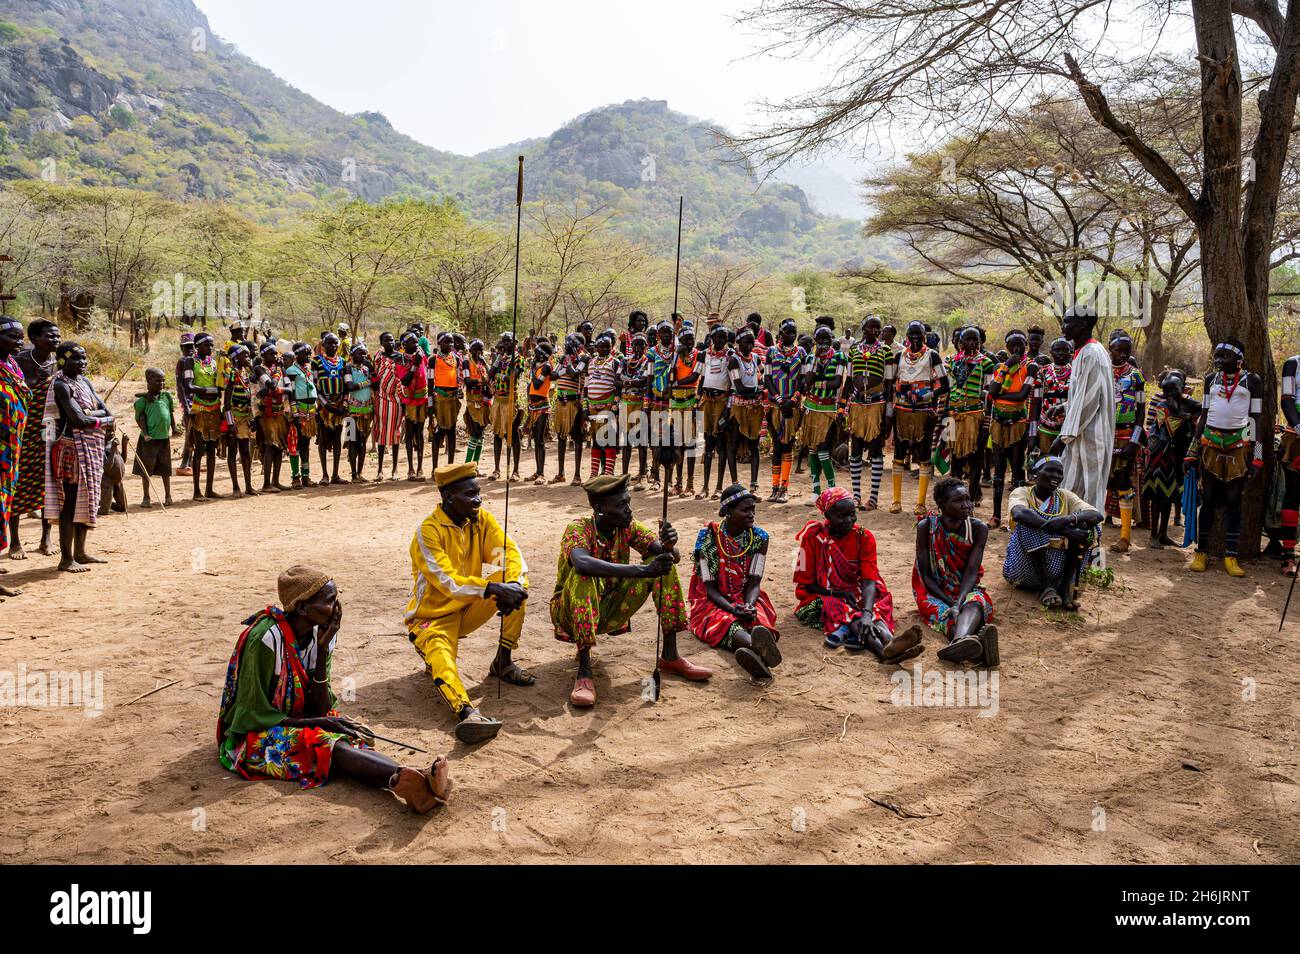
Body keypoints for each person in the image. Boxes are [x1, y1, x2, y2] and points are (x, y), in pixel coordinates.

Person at [217, 565, 452, 813]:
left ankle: (416, 783)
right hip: (252, 736)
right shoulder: (266, 640)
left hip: (298, 717)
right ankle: (406, 779)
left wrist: (322, 649)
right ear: (302, 608)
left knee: (346, 736)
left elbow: (320, 707)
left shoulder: (322, 633)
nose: (337, 608)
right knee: (322, 741)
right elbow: (250, 714)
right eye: (330, 601)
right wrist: (317, 722)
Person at [552, 473, 712, 708]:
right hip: (570, 613)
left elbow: (667, 556)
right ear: (599, 509)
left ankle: (670, 656)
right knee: (583, 575)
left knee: (661, 564)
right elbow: (582, 563)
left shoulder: (628, 527)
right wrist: (642, 570)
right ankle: (584, 671)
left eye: (628, 502)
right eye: (621, 505)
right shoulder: (578, 528)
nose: (628, 509)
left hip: (611, 608)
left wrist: (670, 547)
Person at [407, 462, 532, 744]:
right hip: (432, 617)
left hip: (468, 607)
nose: (478, 499)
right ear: (448, 497)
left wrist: (510, 583)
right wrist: (490, 587)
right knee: (442, 657)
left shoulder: (482, 521)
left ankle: (504, 661)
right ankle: (467, 712)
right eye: (470, 494)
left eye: (478, 493)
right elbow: (447, 582)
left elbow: (507, 553)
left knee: (517, 585)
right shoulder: (427, 532)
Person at [795, 486, 922, 662]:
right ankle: (882, 652)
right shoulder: (813, 539)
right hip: (823, 594)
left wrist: (867, 614)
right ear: (827, 516)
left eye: (852, 514)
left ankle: (889, 641)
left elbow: (869, 580)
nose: (849, 520)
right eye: (841, 516)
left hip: (859, 590)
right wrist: (838, 594)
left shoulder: (864, 537)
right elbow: (807, 584)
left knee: (871, 608)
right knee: (846, 610)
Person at [688, 484, 782, 679]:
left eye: (753, 510)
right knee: (725, 622)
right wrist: (732, 609)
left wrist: (749, 604)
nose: (751, 515)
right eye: (745, 510)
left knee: (758, 620)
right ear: (728, 511)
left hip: (745, 595)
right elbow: (710, 589)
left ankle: (756, 653)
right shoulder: (708, 538)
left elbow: (755, 582)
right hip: (713, 599)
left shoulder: (759, 537)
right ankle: (755, 649)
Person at [1187, 339, 1263, 576]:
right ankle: (1201, 552)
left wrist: (1257, 456)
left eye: (1224, 356)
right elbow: (1205, 413)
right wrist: (1192, 450)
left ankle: (1231, 556)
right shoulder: (1211, 380)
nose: (1218, 360)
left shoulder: (1252, 381)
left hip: (1238, 445)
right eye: (1216, 355)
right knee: (1208, 499)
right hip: (1210, 443)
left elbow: (1256, 418)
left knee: (1233, 501)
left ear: (1239, 360)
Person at [912, 476, 998, 665]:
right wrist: (950, 602)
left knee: (975, 603)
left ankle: (959, 643)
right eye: (958, 501)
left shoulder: (978, 529)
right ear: (941, 504)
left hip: (966, 589)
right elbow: (925, 575)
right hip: (933, 592)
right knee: (946, 614)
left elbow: (972, 572)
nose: (967, 505)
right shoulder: (926, 527)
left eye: (967, 499)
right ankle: (973, 649)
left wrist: (958, 603)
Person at [44, 343, 113, 572]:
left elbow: (106, 411)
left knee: (87, 499)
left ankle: (81, 553)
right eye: (76, 359)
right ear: (62, 360)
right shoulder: (61, 385)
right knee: (70, 503)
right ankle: (66, 558)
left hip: (90, 448)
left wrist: (92, 416)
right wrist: (98, 418)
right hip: (70, 450)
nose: (82, 363)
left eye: (84, 359)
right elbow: (77, 420)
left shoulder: (84, 382)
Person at [1004, 456, 1102, 610]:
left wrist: (1068, 519)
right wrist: (1063, 529)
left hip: (1058, 573)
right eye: (1050, 470)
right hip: (1023, 571)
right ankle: (1046, 587)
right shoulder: (1022, 492)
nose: (1056, 476)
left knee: (1087, 526)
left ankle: (1063, 588)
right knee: (1028, 522)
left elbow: (1096, 515)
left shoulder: (1065, 496)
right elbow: (1019, 514)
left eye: (1059, 472)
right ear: (1035, 472)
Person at [1050, 305, 1114, 526]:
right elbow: (1085, 395)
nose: (1063, 326)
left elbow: (1088, 402)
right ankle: (1069, 547)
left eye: (1068, 322)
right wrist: (1065, 406)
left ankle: (1090, 552)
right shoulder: (1083, 352)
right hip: (1081, 433)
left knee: (1089, 495)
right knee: (1071, 489)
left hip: (1091, 435)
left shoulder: (1091, 353)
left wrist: (1064, 436)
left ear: (1083, 325)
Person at [8, 318, 57, 560]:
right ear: (35, 339)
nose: (55, 340)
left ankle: (46, 538)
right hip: (22, 431)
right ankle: (15, 541)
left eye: (57, 336)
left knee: (49, 481)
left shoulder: (59, 364)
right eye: (50, 336)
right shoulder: (18, 362)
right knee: (18, 481)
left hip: (49, 430)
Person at [890, 320, 947, 515]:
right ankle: (896, 501)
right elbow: (890, 382)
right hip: (902, 410)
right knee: (899, 453)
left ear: (924, 336)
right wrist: (901, 389)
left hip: (924, 411)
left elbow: (945, 385)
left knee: (923, 454)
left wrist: (925, 395)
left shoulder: (933, 356)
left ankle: (921, 503)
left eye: (918, 335)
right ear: (907, 337)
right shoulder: (899, 356)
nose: (915, 338)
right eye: (911, 334)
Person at [1142, 369, 1199, 550]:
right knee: (1158, 497)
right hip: (1160, 457)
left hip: (1177, 457)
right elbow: (1172, 423)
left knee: (1170, 496)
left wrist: (1187, 409)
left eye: (1174, 390)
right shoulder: (1163, 406)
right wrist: (1186, 413)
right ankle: (1153, 536)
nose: (1169, 394)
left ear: (1183, 388)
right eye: (1166, 391)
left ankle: (1164, 533)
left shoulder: (1188, 404)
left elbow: (1203, 411)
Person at [986, 330, 1036, 527]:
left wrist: (997, 397)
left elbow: (1022, 396)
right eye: (1013, 346)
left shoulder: (1030, 367)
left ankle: (1016, 518)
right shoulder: (1001, 367)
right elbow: (991, 391)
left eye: (1020, 345)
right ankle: (996, 515)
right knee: (998, 472)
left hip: (1018, 424)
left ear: (1026, 346)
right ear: (1007, 348)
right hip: (998, 422)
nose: (1017, 349)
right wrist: (1006, 367)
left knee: (1017, 471)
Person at [943, 327, 994, 506]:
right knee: (955, 459)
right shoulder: (951, 362)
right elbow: (948, 391)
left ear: (980, 342)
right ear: (960, 343)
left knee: (975, 460)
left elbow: (989, 396)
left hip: (975, 416)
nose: (972, 343)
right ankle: (955, 498)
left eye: (975, 340)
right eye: (968, 340)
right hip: (953, 415)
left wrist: (986, 425)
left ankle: (971, 499)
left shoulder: (987, 363)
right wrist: (944, 420)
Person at [845, 315, 891, 511]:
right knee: (855, 450)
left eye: (878, 328)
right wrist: (841, 407)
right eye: (871, 327)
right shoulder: (854, 349)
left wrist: (888, 412)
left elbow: (889, 383)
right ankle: (856, 496)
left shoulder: (885, 350)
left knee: (875, 450)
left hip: (876, 405)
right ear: (863, 328)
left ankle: (873, 497)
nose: (875, 331)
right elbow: (848, 379)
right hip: (856, 404)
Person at [1106, 333, 1146, 552]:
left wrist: (1134, 439)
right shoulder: (1101, 371)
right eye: (1118, 350)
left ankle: (1125, 537)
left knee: (1123, 482)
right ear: (1109, 349)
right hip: (1103, 433)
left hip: (1127, 433)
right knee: (1100, 480)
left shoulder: (1137, 376)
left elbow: (1141, 411)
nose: (1122, 354)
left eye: (1126, 351)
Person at [800, 325, 848, 501]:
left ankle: (832, 490)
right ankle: (816, 491)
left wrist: (816, 384)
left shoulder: (839, 357)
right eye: (820, 339)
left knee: (823, 449)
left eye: (827, 338)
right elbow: (807, 382)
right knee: (812, 449)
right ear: (815, 341)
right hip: (811, 408)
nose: (824, 342)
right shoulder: (810, 358)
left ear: (832, 338)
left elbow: (836, 382)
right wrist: (815, 361)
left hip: (828, 410)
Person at [765, 319, 804, 503]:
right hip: (775, 405)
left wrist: (794, 399)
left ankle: (784, 487)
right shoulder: (771, 352)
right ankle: (774, 488)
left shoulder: (801, 353)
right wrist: (779, 399)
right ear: (781, 334)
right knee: (777, 446)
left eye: (794, 332)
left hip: (792, 406)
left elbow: (803, 379)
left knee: (788, 444)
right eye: (789, 332)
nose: (792, 335)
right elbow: (767, 378)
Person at [0, 317, 29, 570]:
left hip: (11, 453)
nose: (19, 341)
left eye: (21, 337)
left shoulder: (13, 367)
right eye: (13, 336)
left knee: (4, 505)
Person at [181, 332, 223, 500]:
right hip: (199, 410)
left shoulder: (214, 363)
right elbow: (188, 385)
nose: (210, 348)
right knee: (199, 450)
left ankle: (209, 489)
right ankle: (197, 491)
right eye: (207, 345)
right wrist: (207, 390)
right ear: (197, 346)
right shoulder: (190, 362)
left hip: (214, 410)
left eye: (212, 345)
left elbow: (220, 384)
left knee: (212, 450)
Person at [132, 368, 177, 509]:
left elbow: (170, 413)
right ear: (149, 381)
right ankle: (146, 497)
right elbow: (139, 418)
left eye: (163, 380)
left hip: (164, 438)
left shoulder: (166, 397)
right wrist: (145, 433)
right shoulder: (144, 400)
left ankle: (168, 496)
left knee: (165, 469)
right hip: (149, 440)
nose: (162, 383)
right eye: (158, 380)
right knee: (147, 470)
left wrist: (174, 428)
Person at [728, 329, 766, 496]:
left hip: (755, 406)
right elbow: (739, 387)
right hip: (739, 406)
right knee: (734, 444)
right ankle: (735, 483)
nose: (750, 346)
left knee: (754, 445)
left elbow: (763, 375)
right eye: (746, 342)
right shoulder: (734, 360)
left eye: (752, 342)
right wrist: (759, 391)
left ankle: (754, 484)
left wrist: (760, 388)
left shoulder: (755, 358)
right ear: (739, 343)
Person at [697, 326, 733, 499]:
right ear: (711, 337)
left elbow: (733, 384)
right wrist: (698, 399)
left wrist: (728, 409)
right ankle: (705, 487)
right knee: (708, 442)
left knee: (721, 444)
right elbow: (701, 378)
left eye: (724, 337)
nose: (721, 340)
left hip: (722, 401)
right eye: (718, 337)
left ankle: (719, 487)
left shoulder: (730, 355)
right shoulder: (705, 354)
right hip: (707, 400)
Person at [220, 345, 259, 498]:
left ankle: (248, 486)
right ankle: (236, 487)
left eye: (249, 355)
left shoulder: (245, 372)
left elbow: (251, 395)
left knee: (245, 452)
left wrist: (252, 418)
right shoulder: (231, 373)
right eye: (245, 356)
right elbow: (227, 401)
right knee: (232, 451)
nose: (248, 358)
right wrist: (230, 422)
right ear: (236, 357)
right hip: (234, 417)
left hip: (245, 416)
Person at [1027, 337, 1072, 462]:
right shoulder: (1043, 372)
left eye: (1065, 350)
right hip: (1045, 427)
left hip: (1068, 428)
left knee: (1066, 463)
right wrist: (1032, 433)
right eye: (1057, 350)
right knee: (1045, 462)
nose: (1061, 353)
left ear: (1071, 352)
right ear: (1051, 352)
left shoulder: (1076, 373)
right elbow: (1036, 402)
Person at [585, 333, 622, 478]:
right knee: (596, 441)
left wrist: (615, 405)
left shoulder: (615, 362)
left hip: (608, 405)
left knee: (609, 440)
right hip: (593, 406)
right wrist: (584, 406)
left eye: (607, 346)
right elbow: (586, 386)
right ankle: (594, 474)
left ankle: (608, 472)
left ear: (611, 347)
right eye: (601, 346)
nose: (604, 349)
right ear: (596, 348)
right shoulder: (590, 362)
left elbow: (618, 385)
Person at [487, 333, 524, 482]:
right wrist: (498, 358)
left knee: (513, 434)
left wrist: (498, 376)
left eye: (508, 341)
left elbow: (511, 378)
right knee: (497, 434)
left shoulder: (518, 359)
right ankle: (496, 469)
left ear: (515, 342)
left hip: (510, 399)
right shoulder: (499, 358)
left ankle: (515, 470)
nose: (506, 344)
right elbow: (490, 375)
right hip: (498, 399)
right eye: (503, 342)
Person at [284, 343, 319, 488]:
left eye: (309, 353)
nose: (309, 356)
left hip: (310, 411)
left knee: (305, 444)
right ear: (297, 355)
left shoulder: (307, 370)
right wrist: (296, 413)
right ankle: (295, 477)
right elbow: (290, 393)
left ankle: (306, 476)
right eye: (306, 353)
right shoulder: (291, 370)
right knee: (295, 444)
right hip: (298, 410)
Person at [395, 332, 429, 481]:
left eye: (417, 343)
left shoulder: (422, 357)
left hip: (422, 399)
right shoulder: (401, 360)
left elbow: (426, 377)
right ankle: (410, 469)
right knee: (409, 433)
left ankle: (420, 468)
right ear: (404, 345)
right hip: (409, 401)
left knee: (420, 433)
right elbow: (405, 381)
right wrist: (414, 365)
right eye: (412, 343)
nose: (416, 345)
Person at [371, 332, 404, 481]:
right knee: (382, 433)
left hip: (397, 398)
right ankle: (379, 470)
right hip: (381, 398)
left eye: (391, 340)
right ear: (381, 343)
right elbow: (375, 376)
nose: (390, 343)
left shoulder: (400, 357)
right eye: (386, 340)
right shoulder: (378, 357)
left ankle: (395, 469)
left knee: (396, 432)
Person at [619, 332, 650, 487]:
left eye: (641, 344)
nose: (638, 347)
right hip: (625, 403)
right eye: (635, 344)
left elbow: (643, 382)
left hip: (639, 403)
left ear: (645, 347)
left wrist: (626, 381)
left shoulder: (647, 361)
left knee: (641, 440)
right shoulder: (624, 361)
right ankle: (624, 475)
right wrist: (631, 382)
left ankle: (642, 475)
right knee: (626, 440)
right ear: (631, 346)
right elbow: (616, 380)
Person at [429, 332, 461, 468]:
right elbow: (430, 383)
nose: (450, 345)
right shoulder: (433, 360)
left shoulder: (456, 359)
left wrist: (459, 392)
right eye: (447, 342)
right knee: (438, 433)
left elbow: (458, 379)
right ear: (439, 343)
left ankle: (450, 466)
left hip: (452, 399)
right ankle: (435, 468)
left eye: (452, 342)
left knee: (452, 432)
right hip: (439, 400)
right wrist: (430, 404)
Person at [342, 342, 373, 482]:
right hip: (352, 411)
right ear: (352, 355)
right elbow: (349, 386)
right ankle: (353, 474)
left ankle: (360, 473)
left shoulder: (367, 368)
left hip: (367, 410)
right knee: (353, 442)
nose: (363, 355)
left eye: (364, 353)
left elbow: (375, 379)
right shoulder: (348, 368)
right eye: (359, 353)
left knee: (363, 442)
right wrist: (367, 383)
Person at [461, 338, 491, 471]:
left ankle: (475, 466)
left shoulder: (483, 363)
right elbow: (467, 381)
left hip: (484, 401)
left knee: (481, 433)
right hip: (473, 400)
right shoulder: (467, 362)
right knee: (476, 432)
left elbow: (491, 376)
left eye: (480, 350)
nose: (478, 353)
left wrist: (486, 364)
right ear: (470, 350)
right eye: (475, 350)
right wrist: (482, 381)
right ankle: (468, 465)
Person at [175, 331, 196, 477]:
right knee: (190, 433)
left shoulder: (196, 360)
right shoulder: (182, 362)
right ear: (181, 348)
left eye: (192, 346)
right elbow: (180, 386)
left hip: (198, 400)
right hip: (189, 402)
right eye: (186, 346)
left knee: (195, 433)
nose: (189, 349)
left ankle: (191, 463)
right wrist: (186, 406)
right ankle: (184, 464)